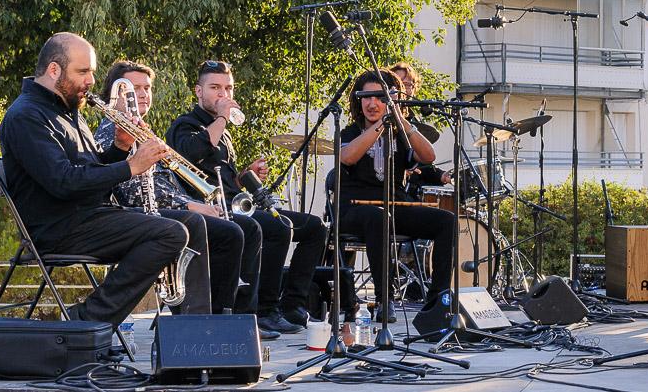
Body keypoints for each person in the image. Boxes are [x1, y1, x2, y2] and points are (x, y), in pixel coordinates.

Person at [0, 33, 187, 327]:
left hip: (89, 215)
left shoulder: (69, 110)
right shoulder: (26, 116)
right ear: (53, 70)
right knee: (170, 234)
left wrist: (120, 148)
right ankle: (88, 321)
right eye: (83, 71)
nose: (90, 81)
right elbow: (64, 181)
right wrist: (132, 166)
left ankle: (195, 325)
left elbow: (92, 169)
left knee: (190, 224)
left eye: (92, 72)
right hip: (59, 227)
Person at [92, 60, 270, 335]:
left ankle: (233, 316)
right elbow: (130, 192)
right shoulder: (111, 130)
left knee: (243, 228)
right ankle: (212, 321)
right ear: (116, 94)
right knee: (229, 233)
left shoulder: (142, 130)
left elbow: (163, 183)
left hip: (164, 210)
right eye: (134, 88)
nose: (142, 94)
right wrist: (191, 205)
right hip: (137, 218)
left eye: (147, 88)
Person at [168, 60, 327, 335]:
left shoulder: (222, 130)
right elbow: (190, 155)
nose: (223, 95)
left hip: (236, 205)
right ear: (198, 91)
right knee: (276, 229)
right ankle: (260, 312)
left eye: (228, 88)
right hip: (211, 212)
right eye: (215, 88)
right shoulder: (186, 124)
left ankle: (293, 305)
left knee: (313, 227)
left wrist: (244, 175)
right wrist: (221, 118)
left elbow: (222, 179)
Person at [339, 69, 455, 321]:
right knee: (378, 217)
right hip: (354, 209)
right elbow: (347, 156)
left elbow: (429, 156)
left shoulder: (401, 134)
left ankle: (438, 301)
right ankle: (384, 299)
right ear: (358, 101)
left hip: (395, 205)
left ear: (391, 100)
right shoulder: (350, 132)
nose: (372, 103)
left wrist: (401, 121)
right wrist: (381, 124)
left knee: (447, 221)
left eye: (380, 97)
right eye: (367, 97)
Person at [389, 61, 451, 193]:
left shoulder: (413, 121)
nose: (404, 89)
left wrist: (441, 176)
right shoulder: (380, 119)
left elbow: (424, 166)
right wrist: (400, 171)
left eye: (408, 85)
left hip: (410, 192)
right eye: (399, 84)